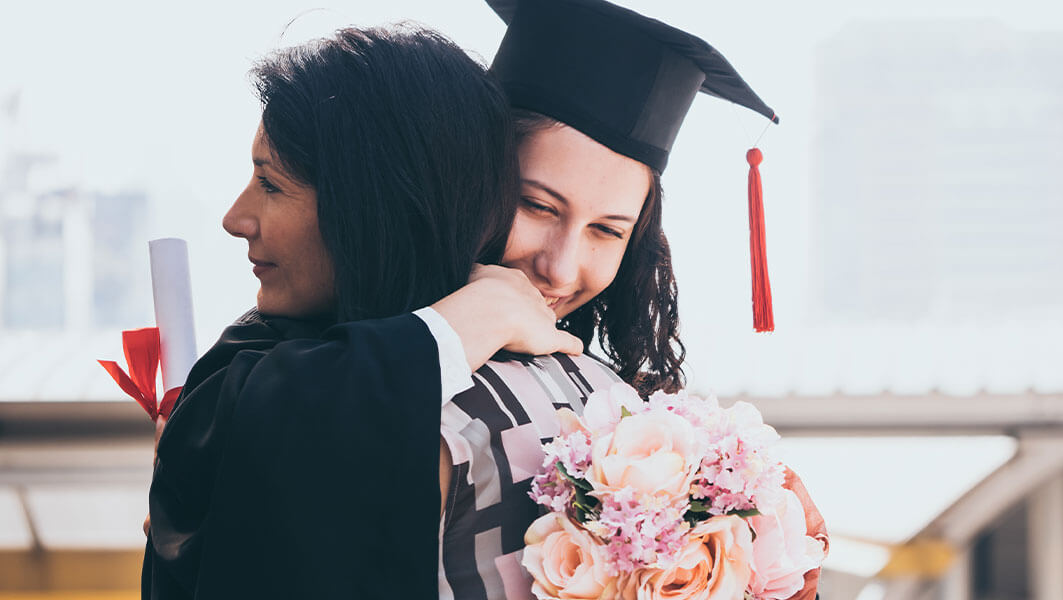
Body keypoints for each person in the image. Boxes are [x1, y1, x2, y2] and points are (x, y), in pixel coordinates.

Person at [143, 24, 582, 599]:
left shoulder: (538, 414)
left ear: (370, 208)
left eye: (271, 185)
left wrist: (461, 327)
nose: (235, 217)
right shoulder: (263, 366)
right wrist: (464, 323)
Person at [437, 1, 828, 598]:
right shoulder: (367, 374)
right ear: (469, 179)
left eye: (607, 231)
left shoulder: (607, 394)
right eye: (538, 206)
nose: (560, 267)